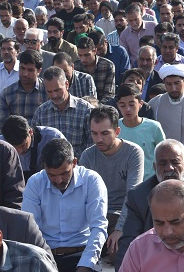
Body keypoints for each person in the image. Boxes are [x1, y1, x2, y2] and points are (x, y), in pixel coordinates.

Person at [115, 140, 184, 269]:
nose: (169, 168)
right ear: (155, 167)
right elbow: (128, 242)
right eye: (163, 163)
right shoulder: (138, 195)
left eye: (175, 162)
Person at [22, 138, 108, 272]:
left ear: (74, 163)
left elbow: (98, 226)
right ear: (44, 167)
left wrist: (87, 264)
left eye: (64, 173)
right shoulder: (35, 183)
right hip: (44, 255)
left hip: (82, 254)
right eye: (52, 175)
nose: (58, 180)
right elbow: (31, 230)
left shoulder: (92, 180)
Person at [79, 105, 144, 261]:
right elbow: (81, 197)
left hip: (123, 213)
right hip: (96, 216)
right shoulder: (88, 156)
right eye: (94, 133)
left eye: (105, 133)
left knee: (118, 253)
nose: (98, 139)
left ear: (117, 131)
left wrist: (120, 228)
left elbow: (132, 195)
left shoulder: (133, 153)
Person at [30, 66, 93, 157]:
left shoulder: (86, 110)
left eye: (57, 90)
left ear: (67, 84)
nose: (54, 95)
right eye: (49, 91)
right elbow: (34, 145)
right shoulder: (41, 113)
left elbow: (91, 146)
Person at [115, 84, 165, 180]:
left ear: (140, 104)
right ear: (118, 106)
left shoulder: (154, 127)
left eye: (131, 104)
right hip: (123, 182)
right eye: (123, 105)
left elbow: (163, 154)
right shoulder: (114, 128)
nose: (127, 109)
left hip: (150, 181)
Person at [0, 115, 64, 181]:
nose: (20, 151)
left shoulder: (53, 137)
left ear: (30, 132)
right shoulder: (0, 145)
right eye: (14, 147)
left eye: (23, 145)